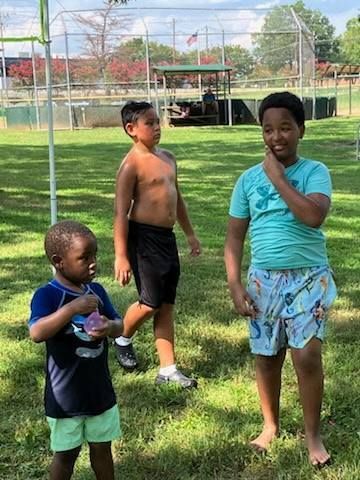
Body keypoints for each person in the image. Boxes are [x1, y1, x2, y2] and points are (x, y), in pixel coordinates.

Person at [224, 92, 337, 467]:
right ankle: (270, 425)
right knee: (267, 356)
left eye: (285, 128)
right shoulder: (247, 181)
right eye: (268, 129)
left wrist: (279, 178)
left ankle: (313, 436)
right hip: (263, 281)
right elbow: (235, 237)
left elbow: (313, 217)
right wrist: (235, 284)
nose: (276, 137)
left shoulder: (314, 172)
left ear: (301, 129)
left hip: (308, 277)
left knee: (306, 355)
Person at [114, 100, 201, 389]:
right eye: (149, 123)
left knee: (165, 304)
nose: (156, 127)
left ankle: (168, 369)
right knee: (149, 302)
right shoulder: (131, 166)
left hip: (166, 238)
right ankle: (121, 336)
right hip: (144, 239)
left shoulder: (168, 158)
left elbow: (178, 199)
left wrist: (189, 234)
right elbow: (120, 213)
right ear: (131, 129)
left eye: (157, 121)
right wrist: (121, 256)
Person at [29, 220, 123, 480]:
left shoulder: (97, 291)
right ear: (59, 261)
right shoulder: (47, 295)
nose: (93, 262)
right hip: (65, 397)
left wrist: (109, 326)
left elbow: (120, 325)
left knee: (103, 450)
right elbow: (37, 332)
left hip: (99, 391)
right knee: (66, 455)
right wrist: (71, 309)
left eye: (95, 255)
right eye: (84, 257)